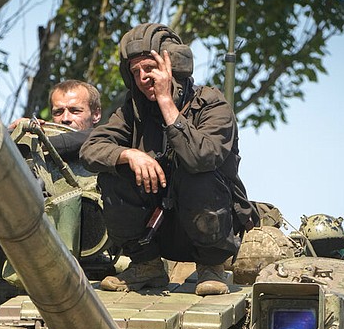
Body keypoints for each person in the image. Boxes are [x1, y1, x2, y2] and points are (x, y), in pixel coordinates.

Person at [79, 23, 258, 296]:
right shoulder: (133, 111)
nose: (143, 77)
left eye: (150, 67)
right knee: (114, 172)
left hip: (210, 228)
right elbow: (91, 149)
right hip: (157, 228)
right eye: (135, 71)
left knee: (196, 172)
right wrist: (128, 154)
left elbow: (201, 157)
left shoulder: (212, 105)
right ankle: (147, 266)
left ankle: (211, 267)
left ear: (174, 66)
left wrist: (165, 101)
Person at [9, 79, 101, 159]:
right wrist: (16, 134)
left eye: (75, 111)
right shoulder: (38, 154)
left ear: (96, 115)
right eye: (58, 112)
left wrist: (37, 143)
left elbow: (93, 137)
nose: (65, 118)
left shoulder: (105, 141)